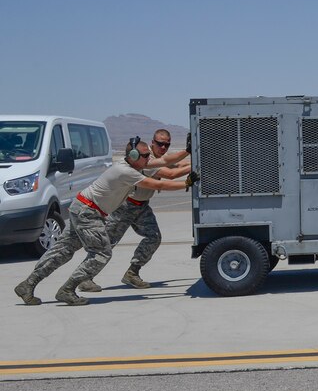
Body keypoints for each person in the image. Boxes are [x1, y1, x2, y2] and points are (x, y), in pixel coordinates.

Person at [14, 138, 195, 306]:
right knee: (101, 253)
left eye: (149, 155)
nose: (150, 158)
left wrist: (187, 151)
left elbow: (164, 162)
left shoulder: (133, 164)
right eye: (146, 155)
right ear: (133, 156)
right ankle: (67, 290)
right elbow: (159, 185)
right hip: (88, 212)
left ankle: (27, 285)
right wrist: (187, 183)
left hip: (82, 208)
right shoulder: (126, 172)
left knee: (63, 250)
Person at [79, 129, 191, 293]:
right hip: (125, 206)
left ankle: (133, 272)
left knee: (154, 237)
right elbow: (172, 174)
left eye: (167, 144)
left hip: (141, 206)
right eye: (160, 144)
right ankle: (84, 278)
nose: (163, 147)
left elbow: (177, 164)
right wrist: (195, 167)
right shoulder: (145, 159)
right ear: (152, 142)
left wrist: (196, 159)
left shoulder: (158, 158)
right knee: (106, 244)